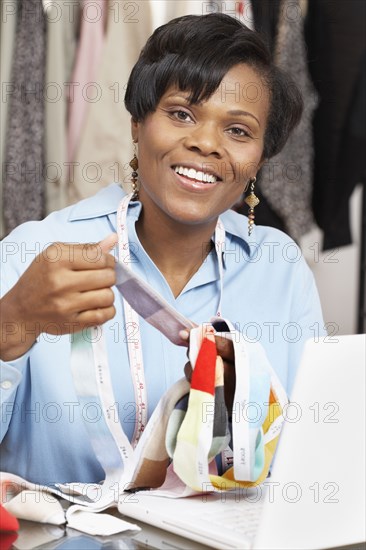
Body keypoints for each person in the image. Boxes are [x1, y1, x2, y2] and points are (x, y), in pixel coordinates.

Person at [0, 13, 324, 486]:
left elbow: (309, 461)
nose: (206, 143)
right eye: (181, 114)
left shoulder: (280, 268)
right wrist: (12, 325)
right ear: (137, 124)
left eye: (238, 131)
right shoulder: (37, 250)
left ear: (260, 159)